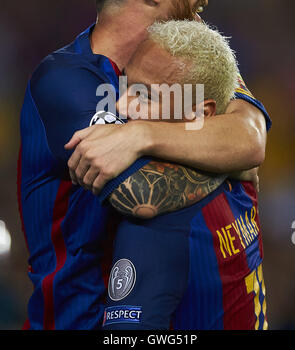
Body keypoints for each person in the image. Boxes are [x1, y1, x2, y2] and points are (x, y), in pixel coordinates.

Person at [18, 0, 270, 330]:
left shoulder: (189, 57)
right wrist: (224, 156)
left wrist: (142, 136)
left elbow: (251, 138)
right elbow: (144, 197)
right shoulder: (67, 81)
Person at [100, 19, 268, 330]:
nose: (121, 106)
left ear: (200, 114)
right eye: (125, 86)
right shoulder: (242, 171)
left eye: (145, 96)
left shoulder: (156, 225)